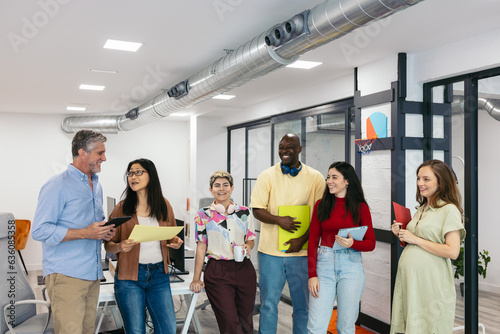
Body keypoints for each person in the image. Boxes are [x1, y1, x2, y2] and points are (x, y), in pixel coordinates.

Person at [32, 130, 115, 334]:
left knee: (87, 330)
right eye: (100, 153)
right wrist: (86, 233)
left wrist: (104, 232)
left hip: (93, 273)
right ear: (82, 153)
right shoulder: (56, 186)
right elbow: (40, 230)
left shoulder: (96, 185)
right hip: (66, 275)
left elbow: (93, 226)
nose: (104, 158)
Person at [250, 133, 326, 334]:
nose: (284, 151)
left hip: (302, 255)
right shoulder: (266, 175)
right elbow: (256, 209)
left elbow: (320, 216)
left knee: (303, 307)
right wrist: (279, 220)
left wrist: (302, 240)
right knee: (268, 304)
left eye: (289, 147)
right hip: (270, 254)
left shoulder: (316, 178)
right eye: (281, 147)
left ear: (299, 149)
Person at [104, 158, 183, 334]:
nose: (133, 176)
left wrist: (175, 242)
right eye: (130, 173)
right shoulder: (122, 208)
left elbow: (171, 236)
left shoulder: (164, 205)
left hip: (159, 276)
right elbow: (108, 245)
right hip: (129, 278)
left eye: (138, 172)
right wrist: (119, 247)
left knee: (168, 329)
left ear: (151, 175)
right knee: (135, 330)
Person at [390, 159, 465, 333]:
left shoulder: (449, 210)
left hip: (431, 284)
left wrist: (415, 239)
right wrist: (401, 234)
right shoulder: (421, 208)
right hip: (410, 282)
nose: (420, 183)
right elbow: (416, 244)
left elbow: (452, 251)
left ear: (441, 181)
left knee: (427, 326)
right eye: (418, 178)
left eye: (426, 179)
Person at [307, 161, 376, 334]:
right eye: (328, 177)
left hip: (351, 266)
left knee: (346, 326)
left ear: (347, 181)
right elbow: (313, 241)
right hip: (324, 266)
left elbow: (371, 243)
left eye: (334, 177)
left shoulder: (361, 207)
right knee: (316, 326)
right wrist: (312, 275)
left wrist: (354, 243)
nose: (329, 181)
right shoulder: (320, 205)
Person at [190, 170, 257, 334]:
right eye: (217, 185)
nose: (221, 189)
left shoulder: (245, 212)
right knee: (229, 323)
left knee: (246, 323)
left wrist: (248, 246)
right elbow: (201, 247)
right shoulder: (203, 215)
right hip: (217, 271)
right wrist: (196, 278)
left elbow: (250, 239)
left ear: (232, 188)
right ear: (211, 189)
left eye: (225, 185)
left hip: (244, 270)